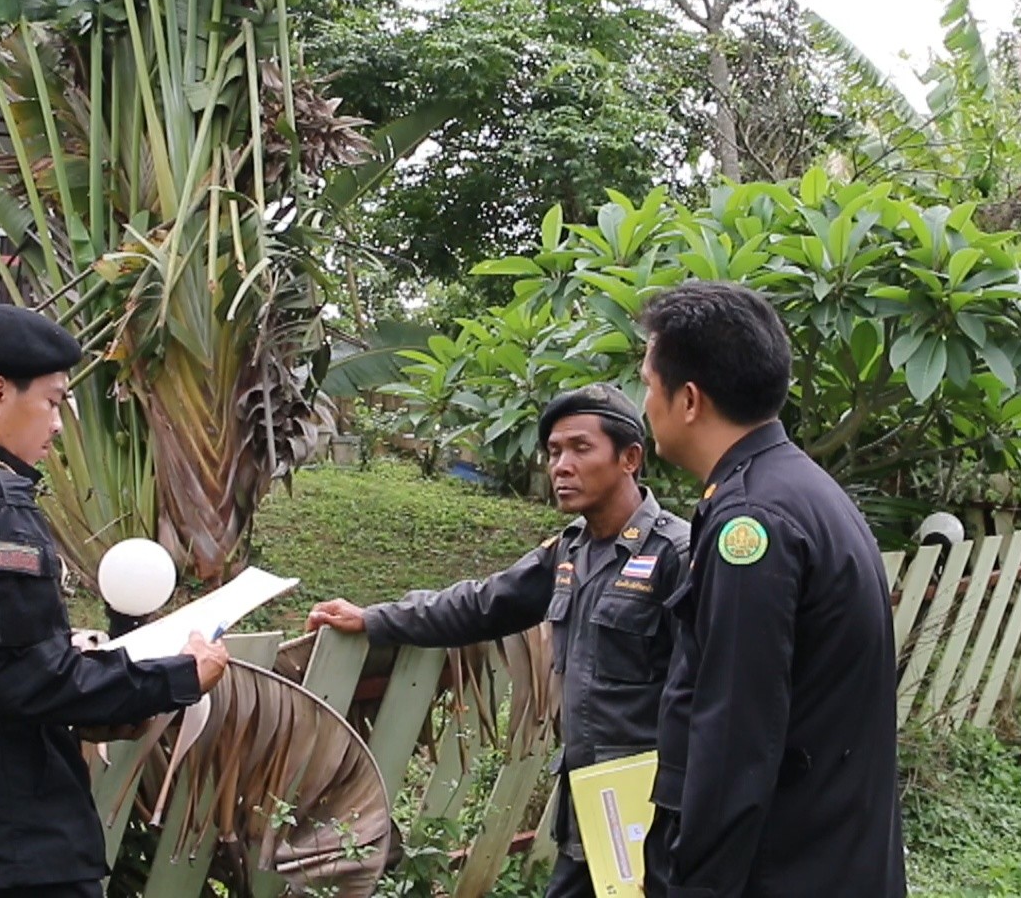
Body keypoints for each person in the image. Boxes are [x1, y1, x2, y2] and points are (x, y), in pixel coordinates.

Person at [0, 303, 231, 898]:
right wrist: (176, 677)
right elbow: (22, 677)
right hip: (11, 845)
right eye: (51, 401)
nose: (57, 423)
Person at [305, 384, 689, 898]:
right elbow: (482, 604)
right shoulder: (571, 551)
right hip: (588, 802)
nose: (560, 466)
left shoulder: (676, 554)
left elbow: (712, 690)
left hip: (655, 807)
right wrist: (375, 618)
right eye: (553, 452)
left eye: (580, 448)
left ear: (630, 458)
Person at [636, 281, 905, 897]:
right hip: (829, 854)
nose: (644, 401)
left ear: (690, 399)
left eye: (649, 384)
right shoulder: (798, 487)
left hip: (784, 869)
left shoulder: (752, 524)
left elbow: (735, 737)